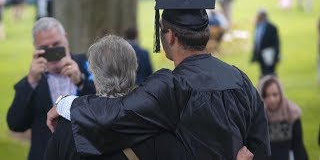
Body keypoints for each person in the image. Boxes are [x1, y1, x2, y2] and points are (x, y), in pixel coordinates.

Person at [47, 0, 271, 159]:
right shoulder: (240, 80)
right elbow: (260, 147)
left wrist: (65, 104)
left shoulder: (171, 86)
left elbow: (116, 112)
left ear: (170, 36)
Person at [44, 35, 254, 160]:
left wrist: (64, 103)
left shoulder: (66, 130)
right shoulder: (159, 128)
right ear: (134, 69)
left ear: (94, 74)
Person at [6, 17, 95, 160]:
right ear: (36, 48)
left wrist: (81, 82)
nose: (52, 52)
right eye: (45, 49)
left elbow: (107, 108)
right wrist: (31, 82)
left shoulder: (90, 65)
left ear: (65, 38)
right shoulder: (31, 82)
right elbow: (15, 124)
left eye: (56, 44)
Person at [257, 75, 308, 160]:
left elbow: (298, 145)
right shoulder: (258, 116)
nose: (272, 99)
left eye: (275, 94)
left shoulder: (292, 113)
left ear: (281, 93)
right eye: (267, 95)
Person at [251, 9, 280, 77]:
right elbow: (257, 40)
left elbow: (276, 43)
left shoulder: (272, 27)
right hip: (260, 54)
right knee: (263, 73)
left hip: (269, 54)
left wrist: (276, 55)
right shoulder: (258, 26)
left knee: (270, 73)